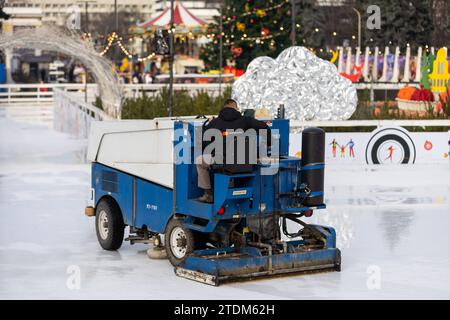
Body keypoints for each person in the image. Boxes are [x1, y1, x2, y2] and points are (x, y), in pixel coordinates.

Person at [196, 99, 270, 203]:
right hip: (246, 163)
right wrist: (268, 145)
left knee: (200, 161)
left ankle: (208, 194)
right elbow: (265, 128)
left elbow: (205, 144)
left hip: (224, 162)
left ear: (223, 108)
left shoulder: (214, 122)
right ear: (236, 108)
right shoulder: (246, 120)